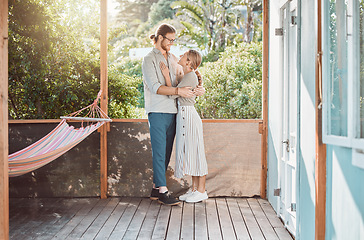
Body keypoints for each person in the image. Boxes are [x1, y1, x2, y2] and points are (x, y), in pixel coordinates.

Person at [142, 23, 205, 205]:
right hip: (158, 110)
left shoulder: (173, 58)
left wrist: (198, 88)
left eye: (173, 40)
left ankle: (155, 187)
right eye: (170, 40)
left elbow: (188, 75)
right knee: (159, 151)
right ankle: (163, 191)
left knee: (167, 151)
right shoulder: (149, 59)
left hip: (174, 112)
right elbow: (155, 87)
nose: (172, 43)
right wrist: (178, 92)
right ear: (160, 37)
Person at [160, 49, 208, 203]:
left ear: (189, 62)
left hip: (188, 115)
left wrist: (167, 76)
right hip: (185, 114)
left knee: (197, 152)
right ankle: (194, 189)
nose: (180, 56)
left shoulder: (190, 76)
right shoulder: (188, 76)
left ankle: (201, 190)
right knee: (191, 152)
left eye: (184, 56)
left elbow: (172, 94)